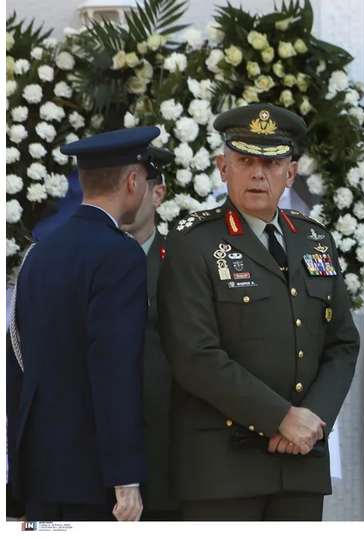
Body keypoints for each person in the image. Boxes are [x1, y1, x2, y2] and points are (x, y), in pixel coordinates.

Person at [157, 104, 360, 521]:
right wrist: (281, 418)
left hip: (301, 462)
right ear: (223, 168)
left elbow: (342, 343)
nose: (257, 174)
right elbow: (194, 355)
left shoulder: (315, 239)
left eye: (271, 163)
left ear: (291, 173)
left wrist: (311, 421)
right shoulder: (193, 242)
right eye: (245, 161)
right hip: (224, 470)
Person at [6, 126, 161, 522]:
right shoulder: (121, 254)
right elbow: (114, 366)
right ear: (133, 181)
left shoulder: (37, 255)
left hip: (39, 471)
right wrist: (125, 476)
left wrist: (16, 471)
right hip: (94, 477)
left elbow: (17, 363)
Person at [120, 146, 182, 521]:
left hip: (168, 457)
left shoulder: (183, 262)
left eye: (134, 184)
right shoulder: (89, 261)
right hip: (98, 462)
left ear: (158, 194)